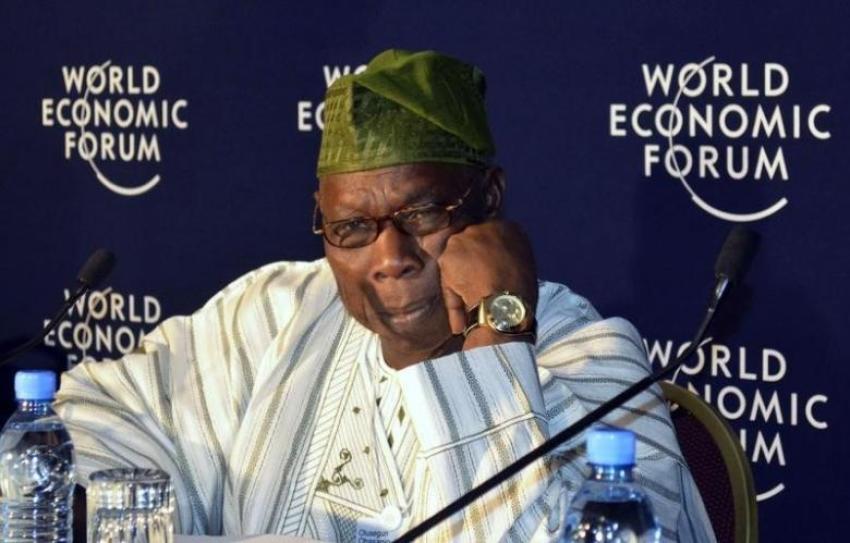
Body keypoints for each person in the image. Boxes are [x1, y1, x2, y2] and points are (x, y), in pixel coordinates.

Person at [55, 49, 715, 542]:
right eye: (350, 229)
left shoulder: (596, 365)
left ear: (489, 203)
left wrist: (498, 332)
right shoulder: (275, 312)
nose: (390, 259)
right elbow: (92, 415)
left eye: (424, 215)